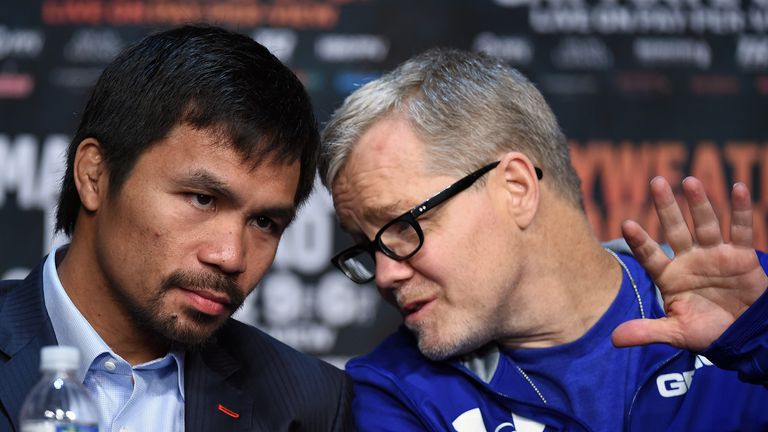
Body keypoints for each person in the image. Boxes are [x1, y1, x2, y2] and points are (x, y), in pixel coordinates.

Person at [318, 47, 768, 431]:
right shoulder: (392, 392)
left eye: (402, 227)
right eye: (368, 245)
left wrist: (757, 342)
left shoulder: (747, 303)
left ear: (515, 188)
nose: (384, 274)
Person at [0, 25, 353, 432]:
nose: (231, 256)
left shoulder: (311, 406)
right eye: (202, 199)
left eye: (264, 222)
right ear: (94, 175)